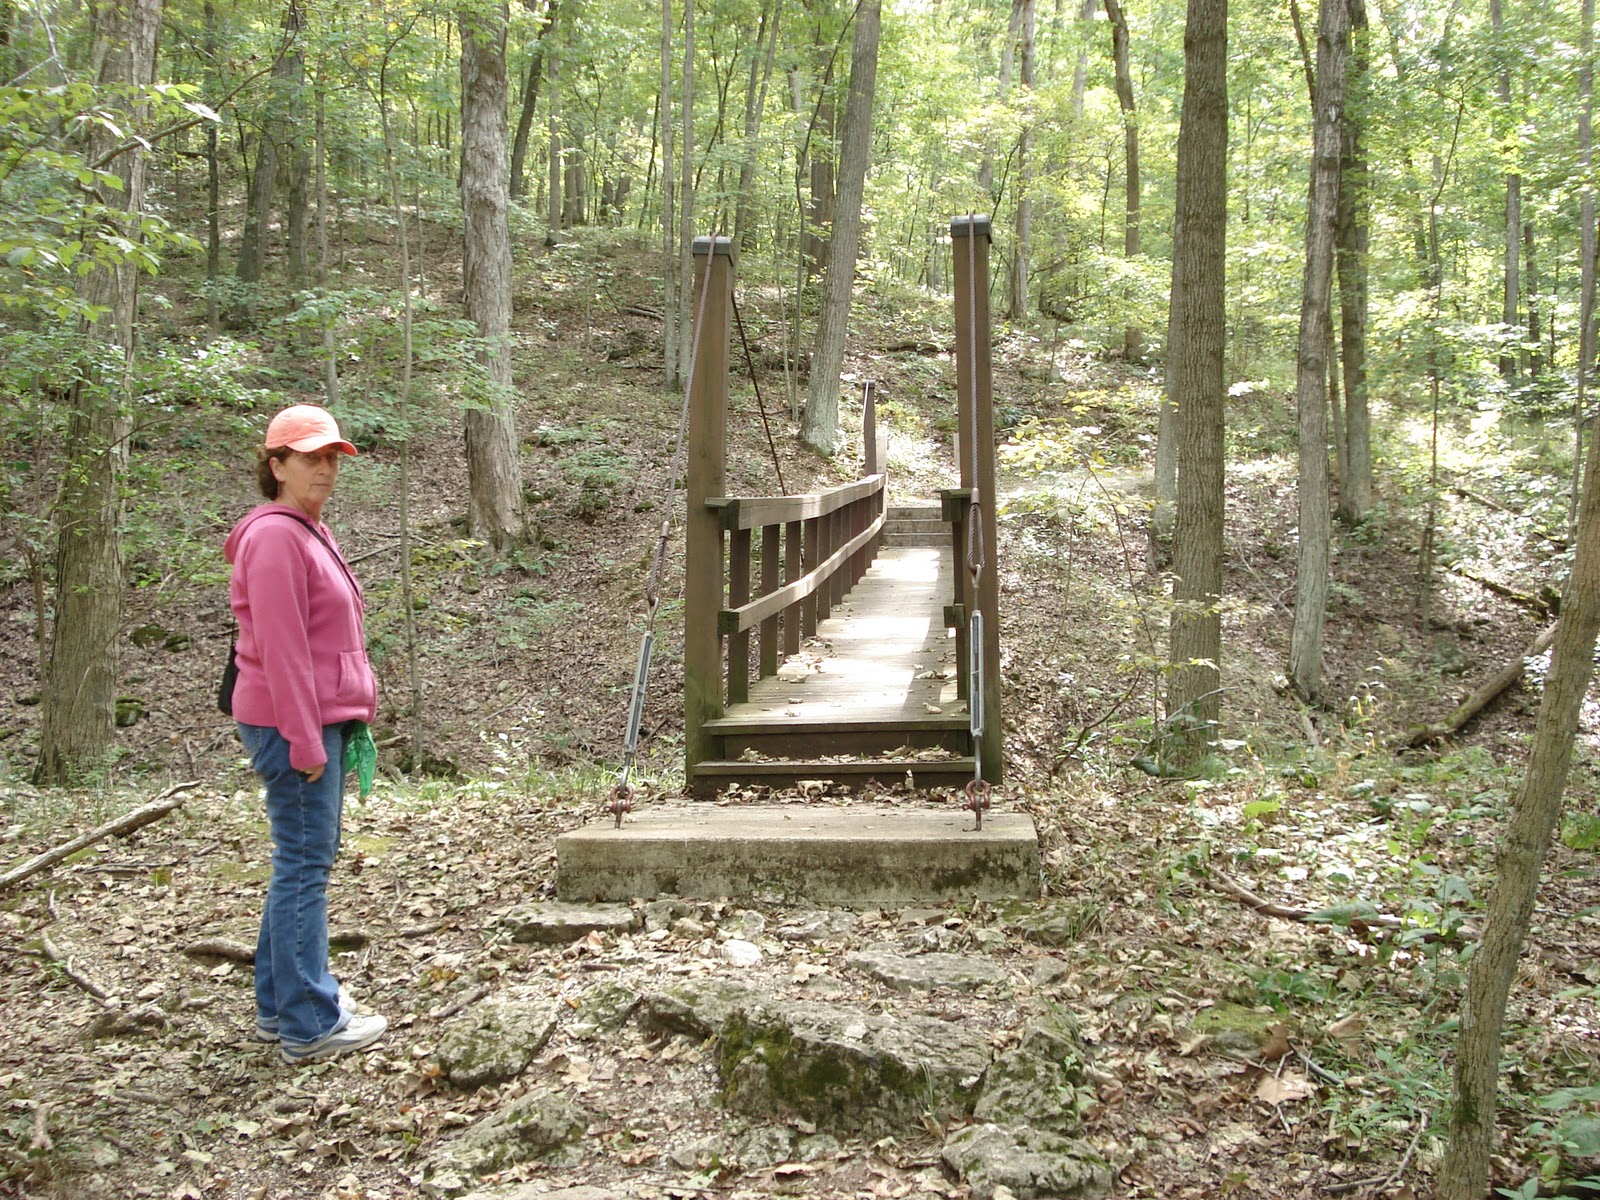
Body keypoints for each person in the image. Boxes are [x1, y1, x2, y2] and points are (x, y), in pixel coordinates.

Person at [222, 404, 388, 1065]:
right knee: (305, 866)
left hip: (316, 718)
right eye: (310, 457)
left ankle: (278, 1006)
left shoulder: (307, 530)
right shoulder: (274, 538)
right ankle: (309, 1022)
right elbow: (282, 649)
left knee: (299, 861)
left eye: (330, 458)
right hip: (294, 724)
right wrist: (305, 740)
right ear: (277, 465)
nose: (324, 469)